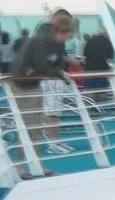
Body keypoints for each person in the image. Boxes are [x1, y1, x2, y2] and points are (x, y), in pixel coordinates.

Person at [12, 11, 77, 155]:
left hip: (36, 83)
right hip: (24, 82)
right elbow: (42, 66)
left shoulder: (54, 42)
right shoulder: (42, 39)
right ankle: (25, 164)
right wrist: (59, 72)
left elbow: (52, 62)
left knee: (36, 123)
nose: (67, 39)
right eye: (67, 35)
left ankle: (38, 163)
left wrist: (58, 70)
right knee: (31, 123)